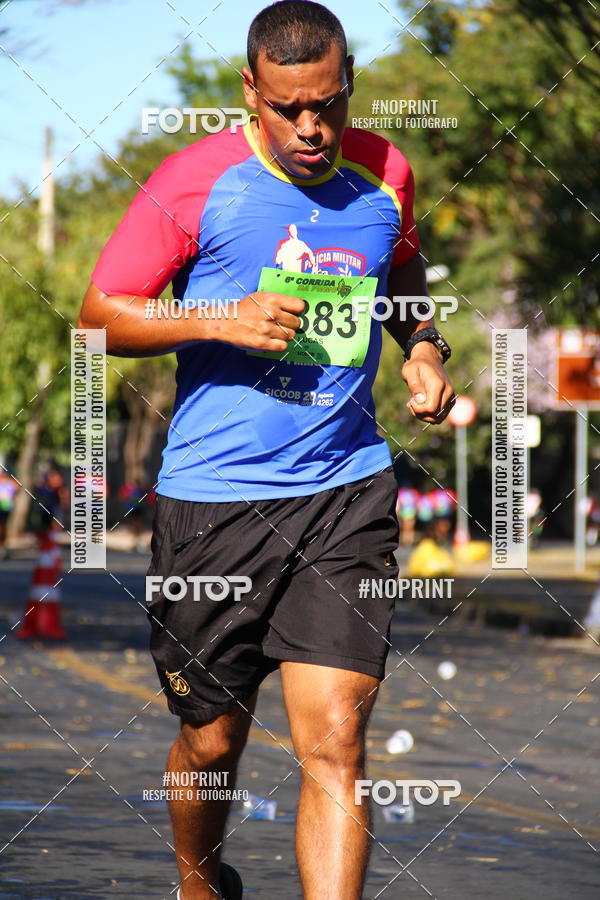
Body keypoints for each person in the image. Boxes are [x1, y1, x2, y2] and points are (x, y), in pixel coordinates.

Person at [78, 3, 455, 897]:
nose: (312, 127)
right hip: (216, 500)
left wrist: (425, 348)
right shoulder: (191, 183)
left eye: (328, 102)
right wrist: (220, 318)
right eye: (289, 108)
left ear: (350, 80)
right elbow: (97, 317)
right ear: (251, 90)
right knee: (213, 736)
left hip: (345, 489)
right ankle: (200, 880)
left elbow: (400, 265)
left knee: (336, 739)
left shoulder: (386, 168)